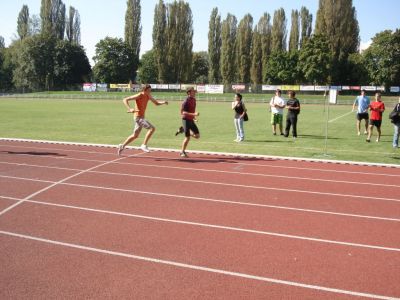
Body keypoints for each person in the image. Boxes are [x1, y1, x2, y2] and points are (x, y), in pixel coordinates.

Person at [117, 84, 168, 155]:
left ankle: (122, 146)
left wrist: (163, 102)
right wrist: (130, 108)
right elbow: (125, 99)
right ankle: (144, 145)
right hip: (138, 117)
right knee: (152, 129)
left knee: (135, 135)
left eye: (150, 90)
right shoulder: (139, 95)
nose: (150, 92)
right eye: (149, 90)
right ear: (145, 90)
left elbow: (156, 103)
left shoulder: (148, 95)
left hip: (141, 117)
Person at [175, 87, 200, 157]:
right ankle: (182, 152)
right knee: (187, 137)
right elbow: (182, 112)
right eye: (193, 92)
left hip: (191, 120)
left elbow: (192, 110)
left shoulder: (194, 100)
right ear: (189, 93)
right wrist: (194, 114)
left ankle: (183, 129)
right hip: (185, 120)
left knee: (197, 136)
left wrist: (194, 118)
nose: (195, 93)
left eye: (195, 91)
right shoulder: (185, 101)